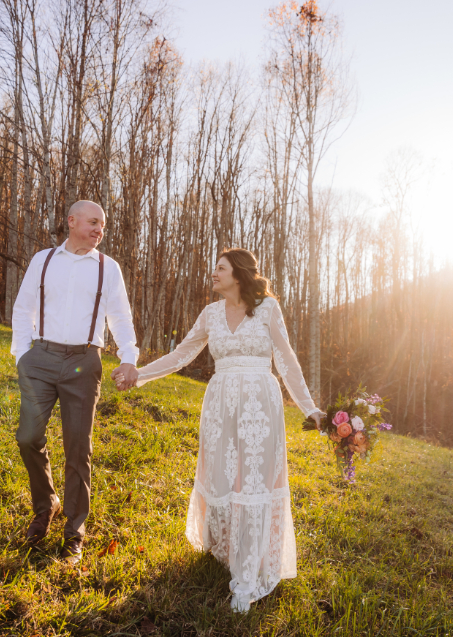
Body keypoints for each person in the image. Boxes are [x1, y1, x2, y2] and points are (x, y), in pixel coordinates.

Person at [125, 248, 325, 612]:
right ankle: (227, 551)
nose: (213, 274)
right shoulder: (210, 314)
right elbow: (182, 355)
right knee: (220, 479)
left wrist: (310, 407)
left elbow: (286, 360)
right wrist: (139, 375)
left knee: (253, 483)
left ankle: (247, 580)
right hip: (219, 406)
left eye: (220, 268)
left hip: (259, 408)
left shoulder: (267, 309)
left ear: (239, 274)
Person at [10, 200, 139, 563]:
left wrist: (129, 358)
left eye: (103, 225)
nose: (100, 230)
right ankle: (46, 504)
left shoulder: (107, 268)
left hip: (84, 362)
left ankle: (73, 534)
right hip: (41, 357)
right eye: (94, 222)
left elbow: (121, 317)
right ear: (72, 221)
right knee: (28, 437)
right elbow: (23, 308)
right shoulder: (44, 260)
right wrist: (23, 355)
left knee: (77, 450)